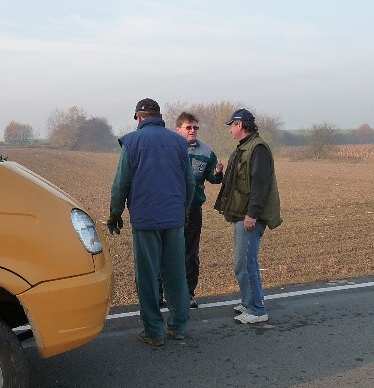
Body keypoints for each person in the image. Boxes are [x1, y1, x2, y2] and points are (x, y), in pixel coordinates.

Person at [107, 98, 195, 346]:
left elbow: (121, 182)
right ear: (159, 116)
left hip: (146, 220)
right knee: (175, 273)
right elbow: (189, 182)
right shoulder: (179, 142)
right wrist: (184, 210)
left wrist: (115, 213)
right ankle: (177, 326)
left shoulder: (131, 142)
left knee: (147, 276)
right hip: (174, 218)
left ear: (138, 117)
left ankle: (154, 331)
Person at [214, 108, 282, 324]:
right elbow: (239, 181)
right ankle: (249, 301)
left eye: (231, 126)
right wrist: (219, 174)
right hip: (241, 214)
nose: (230, 130)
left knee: (244, 263)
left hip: (249, 216)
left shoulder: (257, 149)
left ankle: (256, 310)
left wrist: (252, 214)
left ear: (240, 125)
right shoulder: (245, 147)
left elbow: (260, 184)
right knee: (243, 262)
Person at [174, 112, 224, 308]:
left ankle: (188, 293)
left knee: (190, 253)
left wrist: (217, 173)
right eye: (188, 127)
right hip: (171, 209)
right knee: (165, 252)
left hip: (193, 209)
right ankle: (160, 292)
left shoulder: (206, 151)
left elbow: (212, 178)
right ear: (178, 129)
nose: (193, 131)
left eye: (195, 127)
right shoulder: (169, 147)